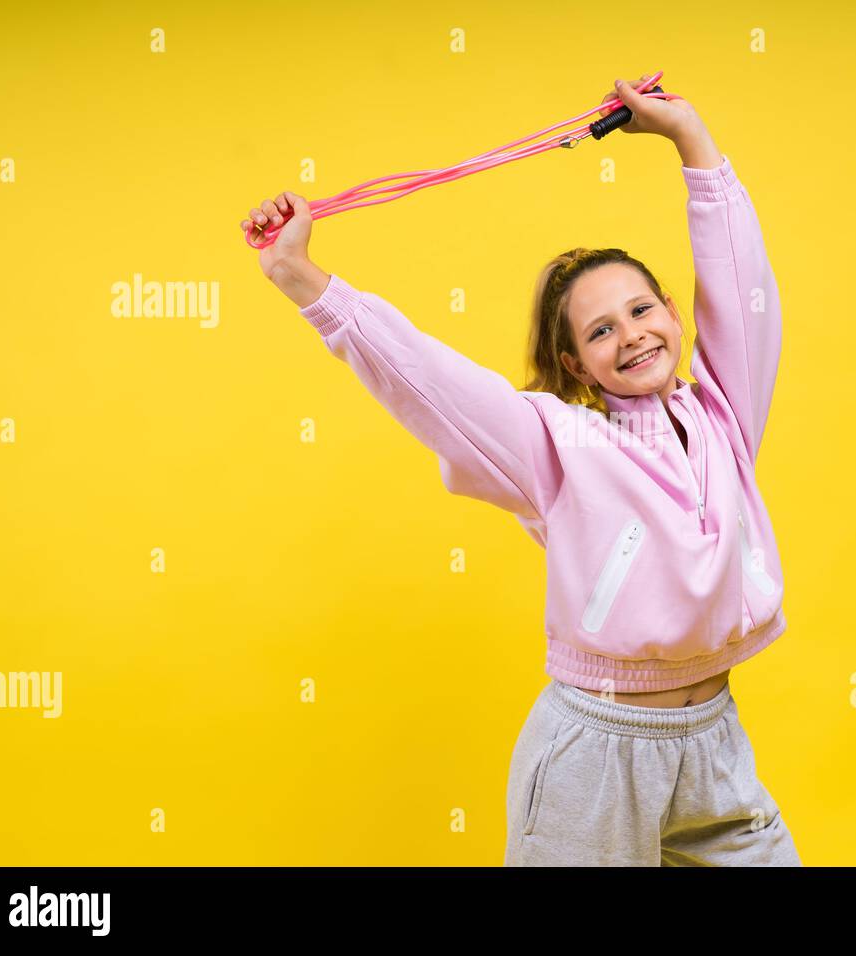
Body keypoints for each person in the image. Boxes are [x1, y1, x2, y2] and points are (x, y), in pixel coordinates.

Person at [240, 75, 801, 866]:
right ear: (574, 361)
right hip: (595, 757)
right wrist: (304, 280)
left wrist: (691, 140)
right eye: (601, 330)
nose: (632, 335)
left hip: (712, 746)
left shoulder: (722, 416)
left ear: (676, 315)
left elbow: (747, 292)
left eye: (643, 311)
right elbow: (431, 382)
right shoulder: (557, 445)